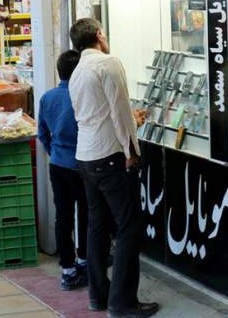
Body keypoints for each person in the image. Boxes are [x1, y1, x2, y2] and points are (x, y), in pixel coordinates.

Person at [68, 18, 156, 318]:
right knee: (129, 228)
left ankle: (99, 295)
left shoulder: (78, 70)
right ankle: (122, 303)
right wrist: (132, 150)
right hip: (110, 155)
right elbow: (119, 112)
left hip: (86, 155)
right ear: (99, 36)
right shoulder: (109, 63)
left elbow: (100, 111)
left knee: (97, 226)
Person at [38, 50, 88, 291]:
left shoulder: (48, 98)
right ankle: (85, 261)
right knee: (87, 214)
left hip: (58, 165)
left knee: (63, 218)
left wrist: (55, 152)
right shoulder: (84, 96)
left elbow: (42, 134)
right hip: (84, 164)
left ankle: (67, 270)